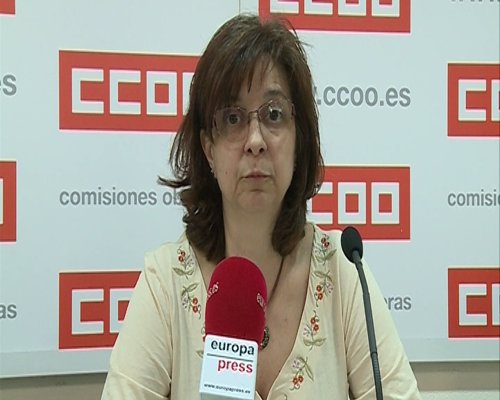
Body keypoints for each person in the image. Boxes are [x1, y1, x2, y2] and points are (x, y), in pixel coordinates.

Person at [101, 13, 421, 400]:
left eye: (273, 115)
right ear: (208, 148)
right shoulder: (165, 280)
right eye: (233, 118)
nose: (255, 140)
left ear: (299, 139)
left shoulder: (342, 268)